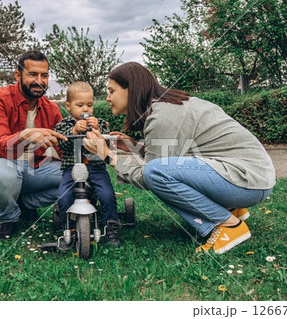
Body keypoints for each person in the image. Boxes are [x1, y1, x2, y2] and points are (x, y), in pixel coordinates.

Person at [83, 62, 275, 255]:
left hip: (245, 182)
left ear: (130, 90)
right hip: (252, 178)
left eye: (111, 91)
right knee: (158, 169)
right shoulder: (168, 106)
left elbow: (149, 175)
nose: (107, 98)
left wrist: (107, 155)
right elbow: (178, 154)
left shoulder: (162, 116)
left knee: (155, 172)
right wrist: (135, 147)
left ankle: (228, 225)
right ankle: (231, 208)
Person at [0, 51, 67, 240]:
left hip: (33, 168)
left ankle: (25, 203)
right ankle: (8, 219)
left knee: (75, 176)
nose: (39, 80)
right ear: (18, 75)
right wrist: (26, 135)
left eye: (44, 75)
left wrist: (88, 143)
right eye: (32, 74)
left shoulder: (52, 108)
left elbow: (64, 147)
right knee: (5, 172)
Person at [54, 81, 121, 246]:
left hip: (96, 168)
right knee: (64, 196)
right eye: (80, 105)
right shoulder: (64, 125)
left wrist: (99, 129)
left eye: (89, 105)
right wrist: (74, 132)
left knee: (106, 194)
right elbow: (61, 143)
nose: (86, 109)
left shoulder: (98, 123)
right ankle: (67, 231)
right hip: (72, 169)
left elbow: (108, 142)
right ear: (68, 106)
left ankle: (110, 227)